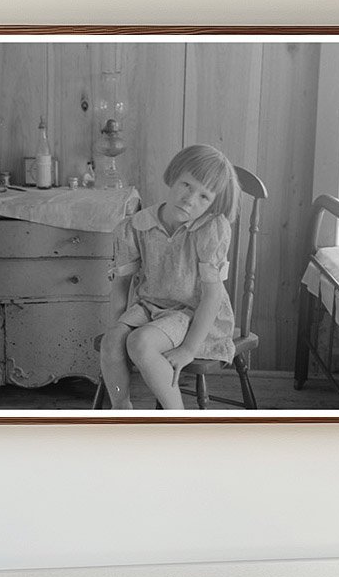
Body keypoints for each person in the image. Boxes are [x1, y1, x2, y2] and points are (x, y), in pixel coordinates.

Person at [100, 144, 240, 409]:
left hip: (192, 313)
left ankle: (177, 420)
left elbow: (212, 296)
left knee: (139, 342)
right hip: (150, 307)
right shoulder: (139, 225)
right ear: (174, 176)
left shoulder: (209, 229)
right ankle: (121, 409)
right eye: (187, 185)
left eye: (204, 197)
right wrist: (117, 324)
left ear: (213, 204)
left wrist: (188, 349)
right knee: (112, 342)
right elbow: (122, 283)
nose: (190, 199)